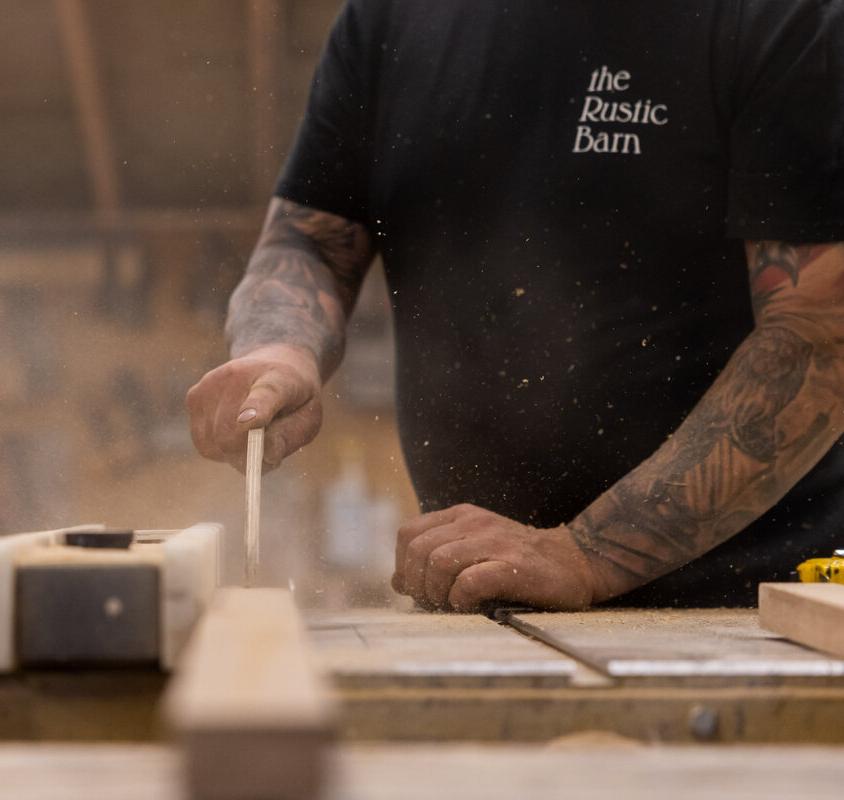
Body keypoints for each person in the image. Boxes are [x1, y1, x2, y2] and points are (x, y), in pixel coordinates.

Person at [186, 0, 844, 609]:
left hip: (754, 608)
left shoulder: (778, 15)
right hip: (485, 593)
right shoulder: (389, 17)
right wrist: (282, 351)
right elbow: (311, 239)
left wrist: (586, 553)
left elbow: (818, 334)